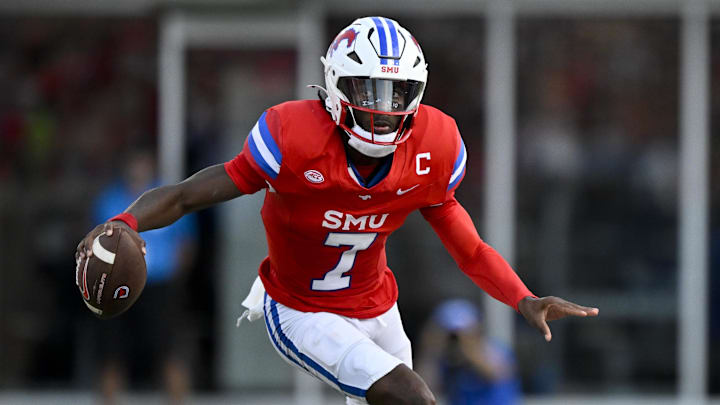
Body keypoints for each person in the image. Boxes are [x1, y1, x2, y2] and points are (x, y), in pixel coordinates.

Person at [76, 17, 599, 405]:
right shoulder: (294, 138)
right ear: (336, 86)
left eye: (397, 93)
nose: (383, 106)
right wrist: (125, 221)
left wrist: (522, 298)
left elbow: (469, 248)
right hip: (301, 309)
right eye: (370, 89)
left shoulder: (432, 146)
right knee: (412, 396)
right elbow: (190, 193)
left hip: (378, 307)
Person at [90, 148, 197, 404]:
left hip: (159, 285)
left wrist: (173, 279)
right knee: (111, 352)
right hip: (117, 286)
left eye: (143, 163)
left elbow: (186, 244)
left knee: (168, 351)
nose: (138, 169)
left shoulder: (167, 199)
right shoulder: (110, 199)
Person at [417, 299, 521, 405]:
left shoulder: (495, 349)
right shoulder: (446, 359)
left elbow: (495, 374)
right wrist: (433, 350)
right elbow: (424, 388)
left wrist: (468, 346)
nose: (456, 339)